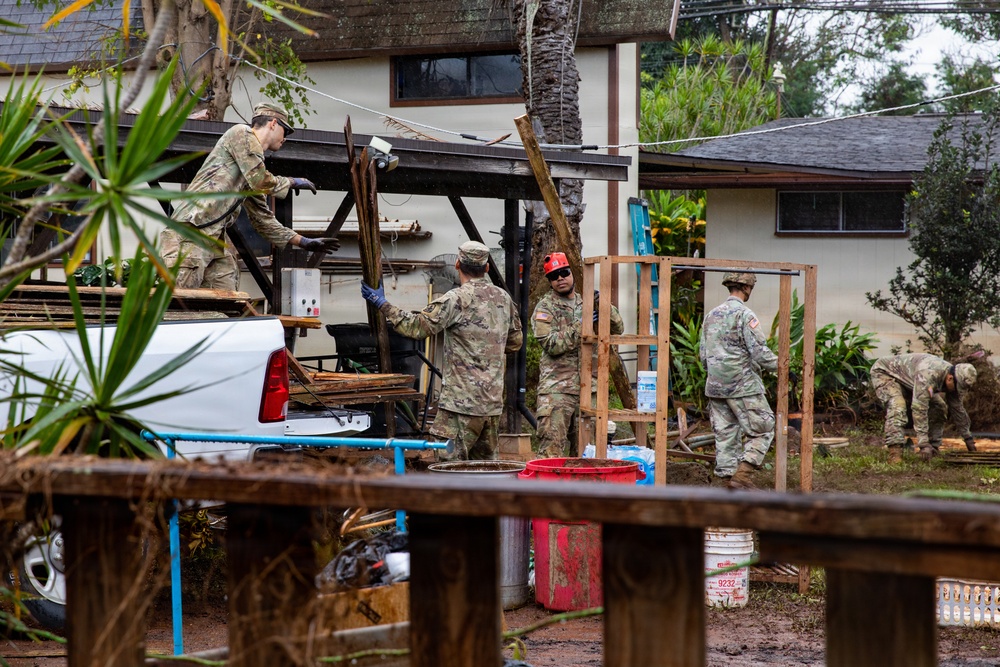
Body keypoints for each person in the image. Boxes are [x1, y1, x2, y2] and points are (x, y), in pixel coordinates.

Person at [360, 241, 523, 460]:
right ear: (486, 268)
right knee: (485, 472)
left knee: (449, 470)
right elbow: (515, 342)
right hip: (491, 406)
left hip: (459, 406)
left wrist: (381, 303)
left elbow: (416, 326)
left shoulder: (455, 299)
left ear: (457, 264)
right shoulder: (504, 299)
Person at [160, 102, 339, 290]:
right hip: (190, 235)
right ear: (273, 123)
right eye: (285, 132)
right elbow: (261, 180)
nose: (285, 139)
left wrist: (304, 242)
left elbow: (263, 220)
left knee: (225, 294)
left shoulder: (250, 172)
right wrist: (292, 181)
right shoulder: (241, 133)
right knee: (180, 304)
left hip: (213, 243)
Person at [531, 251, 624, 458]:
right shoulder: (545, 309)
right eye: (554, 276)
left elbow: (618, 329)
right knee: (551, 451)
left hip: (589, 389)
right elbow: (551, 344)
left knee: (587, 452)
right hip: (557, 391)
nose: (560, 278)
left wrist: (604, 304)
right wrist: (582, 324)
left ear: (572, 273)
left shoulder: (588, 303)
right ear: (550, 281)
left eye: (564, 272)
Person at [700, 271, 777, 490]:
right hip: (742, 385)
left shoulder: (711, 315)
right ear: (746, 288)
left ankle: (727, 483)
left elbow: (703, 354)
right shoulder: (745, 315)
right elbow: (759, 352)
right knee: (763, 428)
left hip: (715, 386)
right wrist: (783, 367)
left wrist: (716, 375)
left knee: (725, 434)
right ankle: (743, 474)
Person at [870, 354, 978, 463]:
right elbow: (919, 409)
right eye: (957, 388)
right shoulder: (928, 374)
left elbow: (957, 409)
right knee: (898, 405)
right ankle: (895, 453)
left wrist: (968, 439)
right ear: (950, 378)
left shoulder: (954, 377)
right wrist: (923, 444)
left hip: (911, 380)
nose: (956, 391)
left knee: (939, 406)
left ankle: (934, 448)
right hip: (885, 373)